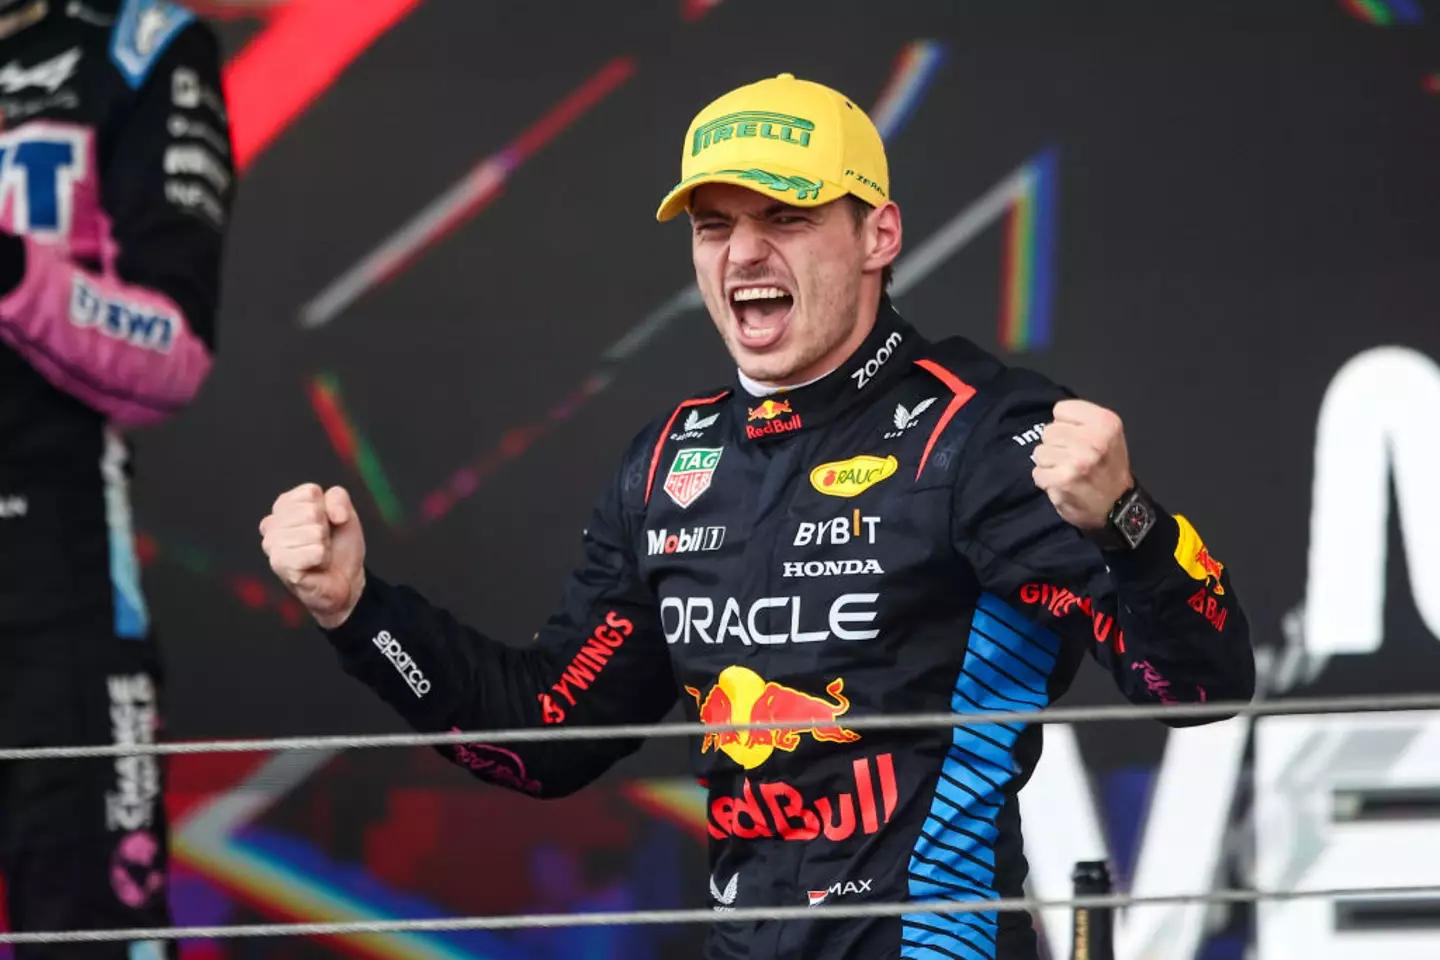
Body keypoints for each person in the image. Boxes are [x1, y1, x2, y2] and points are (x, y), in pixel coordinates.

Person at [260, 73, 1254, 960]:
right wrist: (359, 613)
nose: (743, 254)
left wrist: (1127, 519)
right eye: (713, 225)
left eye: (783, 216)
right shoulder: (667, 465)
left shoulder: (979, 434)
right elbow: (543, 737)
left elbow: (1201, 688)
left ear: (879, 235)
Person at [0, 0, 234, 955]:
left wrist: (13, 269)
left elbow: (172, 350)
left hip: (56, 574)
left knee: (96, 933)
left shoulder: (140, 46)